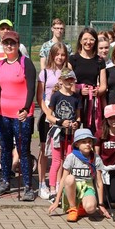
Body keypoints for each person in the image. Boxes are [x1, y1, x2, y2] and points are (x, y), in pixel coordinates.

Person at [0, 29, 38, 201]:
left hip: (21, 115)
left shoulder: (26, 63)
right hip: (3, 114)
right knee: (5, 148)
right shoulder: (0, 65)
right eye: (6, 43)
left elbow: (31, 88)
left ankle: (27, 186)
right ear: (2, 45)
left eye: (12, 43)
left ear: (18, 45)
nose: (9, 46)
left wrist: (26, 109)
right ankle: (5, 180)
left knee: (23, 150)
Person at [50, 128, 112, 222]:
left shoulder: (96, 158)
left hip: (87, 187)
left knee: (91, 209)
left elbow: (99, 182)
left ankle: (82, 207)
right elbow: (63, 179)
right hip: (72, 189)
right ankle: (73, 208)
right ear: (77, 144)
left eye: (90, 141)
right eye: (84, 141)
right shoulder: (71, 157)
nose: (88, 144)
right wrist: (57, 200)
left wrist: (101, 204)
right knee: (69, 178)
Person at [36, 43, 71, 196]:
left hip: (64, 118)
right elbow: (40, 97)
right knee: (44, 151)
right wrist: (49, 115)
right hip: (47, 117)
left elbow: (72, 92)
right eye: (57, 54)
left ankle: (57, 183)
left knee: (60, 152)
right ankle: (42, 183)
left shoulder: (68, 72)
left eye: (63, 54)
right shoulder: (44, 73)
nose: (60, 57)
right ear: (52, 55)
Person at [42, 69, 82, 201]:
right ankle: (53, 189)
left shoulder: (76, 97)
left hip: (71, 134)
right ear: (60, 81)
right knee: (56, 161)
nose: (69, 82)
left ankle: (65, 187)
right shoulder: (56, 96)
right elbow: (49, 115)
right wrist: (60, 122)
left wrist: (76, 123)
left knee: (69, 160)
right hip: (58, 133)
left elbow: (78, 116)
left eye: (71, 79)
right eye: (66, 79)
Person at [68, 27, 105, 130]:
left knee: (91, 132)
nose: (88, 42)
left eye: (92, 39)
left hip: (92, 103)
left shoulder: (100, 61)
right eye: (85, 39)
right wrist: (79, 90)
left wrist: (97, 92)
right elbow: (67, 82)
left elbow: (103, 86)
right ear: (80, 41)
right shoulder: (72, 59)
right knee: (74, 132)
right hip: (75, 101)